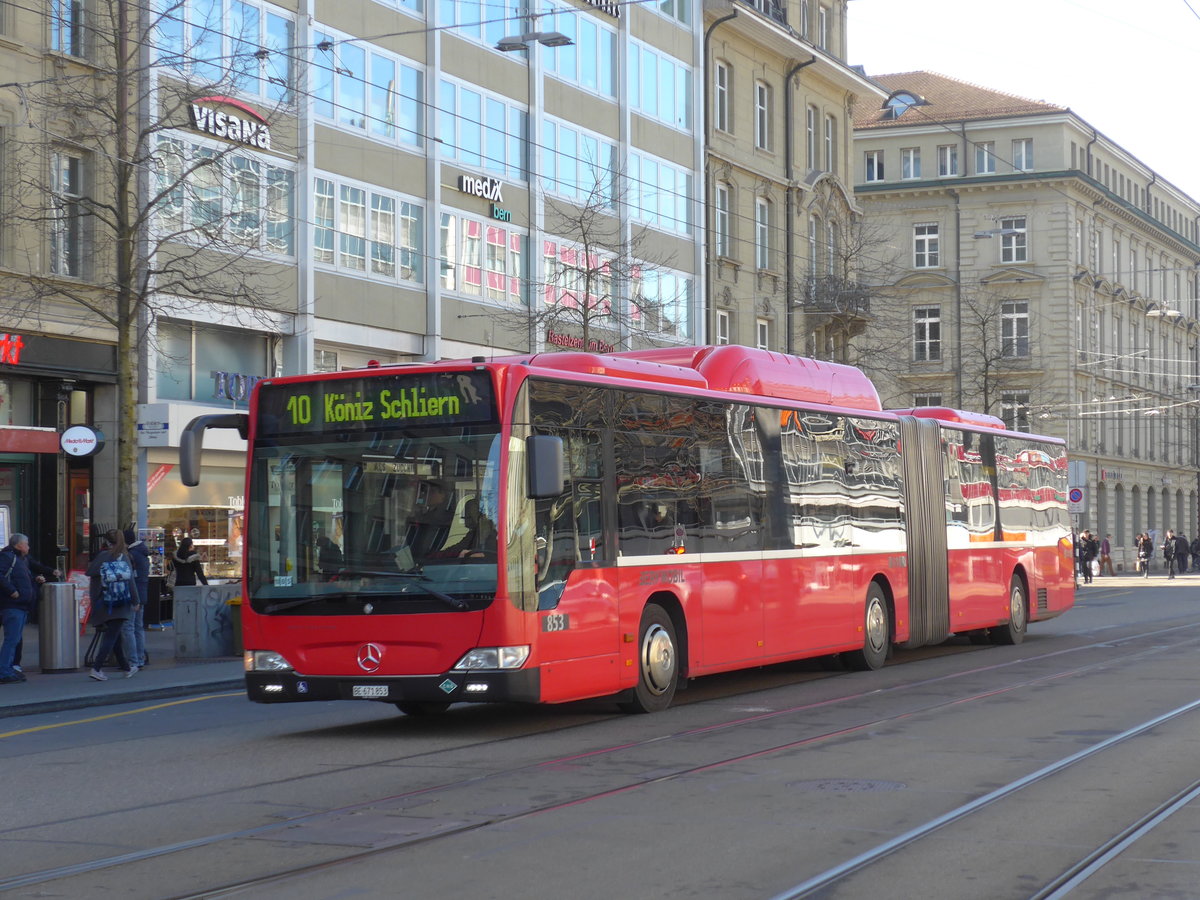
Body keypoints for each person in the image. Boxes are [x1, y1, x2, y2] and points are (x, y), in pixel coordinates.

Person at [0, 533, 59, 684]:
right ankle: (4, 671)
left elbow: (20, 577)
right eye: (26, 544)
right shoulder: (8, 557)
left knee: (14, 639)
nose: (29, 547)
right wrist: (12, 591)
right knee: (11, 640)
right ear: (19, 545)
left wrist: (34, 579)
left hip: (21, 605)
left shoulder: (21, 559)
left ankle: (8, 668)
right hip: (12, 605)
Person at [86, 529, 141, 681]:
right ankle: (96, 668)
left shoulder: (102, 556)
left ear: (106, 541)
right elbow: (130, 582)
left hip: (103, 602)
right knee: (111, 636)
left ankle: (127, 668)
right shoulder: (124, 557)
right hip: (120, 602)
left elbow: (91, 575)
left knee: (114, 635)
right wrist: (136, 601)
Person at [123, 529, 151, 669]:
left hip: (134, 595)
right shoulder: (142, 552)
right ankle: (140, 657)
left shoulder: (131, 555)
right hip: (142, 593)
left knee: (129, 628)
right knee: (138, 628)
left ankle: (133, 659)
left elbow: (131, 578)